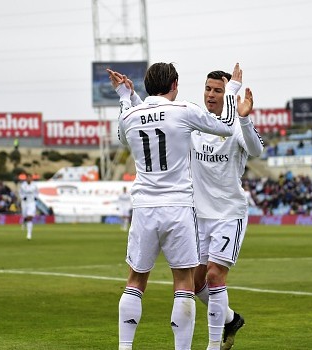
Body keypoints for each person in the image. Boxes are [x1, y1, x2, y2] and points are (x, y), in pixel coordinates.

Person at [108, 62, 246, 350]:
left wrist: (125, 95)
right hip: (179, 207)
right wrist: (231, 89)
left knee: (135, 281)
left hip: (144, 207)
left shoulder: (130, 116)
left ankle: (124, 347)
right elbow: (225, 126)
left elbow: (125, 134)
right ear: (174, 85)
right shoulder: (183, 110)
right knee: (184, 283)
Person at [190, 69, 263, 350]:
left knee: (214, 275)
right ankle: (231, 319)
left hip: (228, 214)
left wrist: (243, 118)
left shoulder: (237, 125)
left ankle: (211, 346)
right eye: (208, 89)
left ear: (227, 94)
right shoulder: (195, 123)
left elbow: (256, 150)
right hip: (198, 215)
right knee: (195, 283)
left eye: (218, 90)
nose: (211, 94)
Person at [19, 173, 38, 240]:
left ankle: (29, 234)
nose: (29, 179)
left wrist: (36, 197)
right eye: (28, 178)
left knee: (30, 216)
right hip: (24, 202)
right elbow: (20, 193)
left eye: (30, 178)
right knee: (25, 216)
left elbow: (36, 192)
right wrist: (22, 197)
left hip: (31, 202)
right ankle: (24, 221)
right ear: (26, 178)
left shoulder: (35, 185)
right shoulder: (23, 185)